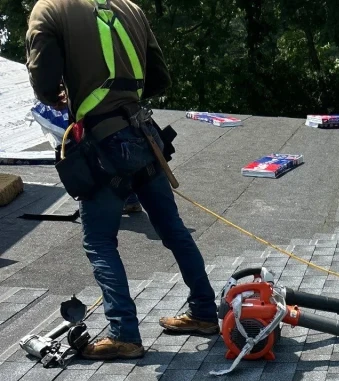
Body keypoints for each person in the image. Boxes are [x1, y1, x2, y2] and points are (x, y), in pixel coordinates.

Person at [26, 0, 219, 360]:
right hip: (142, 135)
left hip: (102, 144)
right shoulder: (130, 7)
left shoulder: (50, 9)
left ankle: (124, 334)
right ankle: (205, 313)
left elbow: (44, 82)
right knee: (173, 229)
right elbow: (159, 78)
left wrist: (63, 95)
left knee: (99, 241)